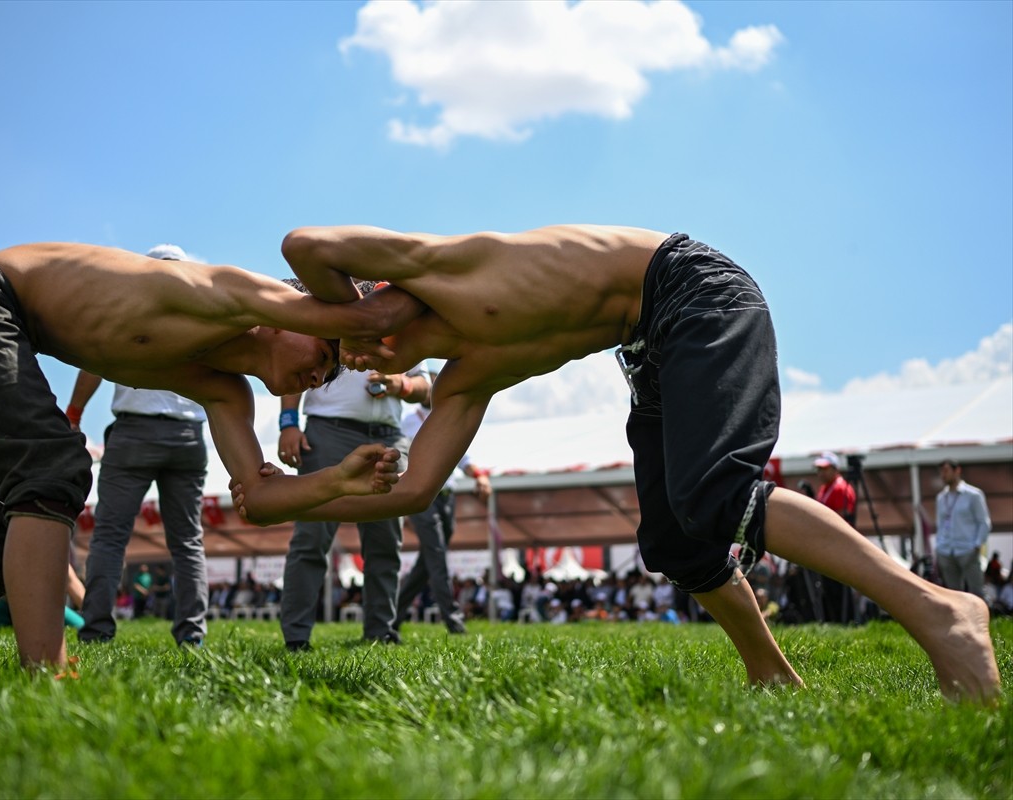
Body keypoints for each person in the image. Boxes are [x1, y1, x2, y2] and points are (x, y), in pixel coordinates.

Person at [236, 224, 1000, 702]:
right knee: (675, 540)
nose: (350, 364)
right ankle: (770, 673)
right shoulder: (472, 373)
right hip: (649, 346)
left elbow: (305, 245)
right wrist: (304, 495)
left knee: (714, 496)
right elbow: (413, 491)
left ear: (365, 306)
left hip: (694, 292)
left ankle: (940, 612)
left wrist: (337, 314)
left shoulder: (443, 268)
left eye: (341, 349)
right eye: (337, 366)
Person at [0, 242, 403, 672]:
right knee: (52, 469)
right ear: (293, 316)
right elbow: (321, 276)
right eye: (325, 353)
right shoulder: (226, 293)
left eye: (331, 374)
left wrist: (336, 481)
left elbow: (257, 500)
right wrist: (375, 317)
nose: (321, 375)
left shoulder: (222, 389)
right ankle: (48, 677)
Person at [69, 244, 213, 648]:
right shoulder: (203, 316)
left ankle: (97, 630)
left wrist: (74, 413)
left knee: (110, 535)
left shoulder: (126, 310)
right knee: (187, 541)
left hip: (134, 433)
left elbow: (94, 362)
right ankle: (192, 636)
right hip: (188, 436)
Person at [277, 363, 429, 649]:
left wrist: (402, 384)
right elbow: (297, 364)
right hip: (328, 430)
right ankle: (296, 637)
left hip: (389, 436)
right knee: (312, 538)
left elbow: (426, 388)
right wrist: (288, 423)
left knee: (385, 542)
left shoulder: (407, 333)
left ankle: (380, 633)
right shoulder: (322, 326)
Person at [394, 373, 491, 635]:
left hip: (447, 496)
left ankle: (394, 616)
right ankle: (453, 620)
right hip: (423, 498)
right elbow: (399, 459)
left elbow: (463, 457)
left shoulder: (448, 418)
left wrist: (479, 476)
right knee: (436, 555)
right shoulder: (407, 423)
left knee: (428, 561)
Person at [935, 459, 992, 599]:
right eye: (941, 471)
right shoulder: (941, 498)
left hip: (968, 550)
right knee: (954, 596)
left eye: (946, 470)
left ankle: (983, 613)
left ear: (957, 471)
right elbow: (940, 525)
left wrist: (976, 545)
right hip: (946, 551)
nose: (943, 475)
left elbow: (983, 523)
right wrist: (939, 546)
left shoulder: (973, 495)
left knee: (977, 593)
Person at [812, 451, 857, 623]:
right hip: (827, 545)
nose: (820, 473)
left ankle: (845, 621)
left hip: (837, 545)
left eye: (824, 469)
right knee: (829, 587)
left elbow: (839, 519)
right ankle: (834, 620)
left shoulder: (840, 488)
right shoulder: (825, 488)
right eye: (819, 469)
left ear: (835, 469)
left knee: (838, 586)